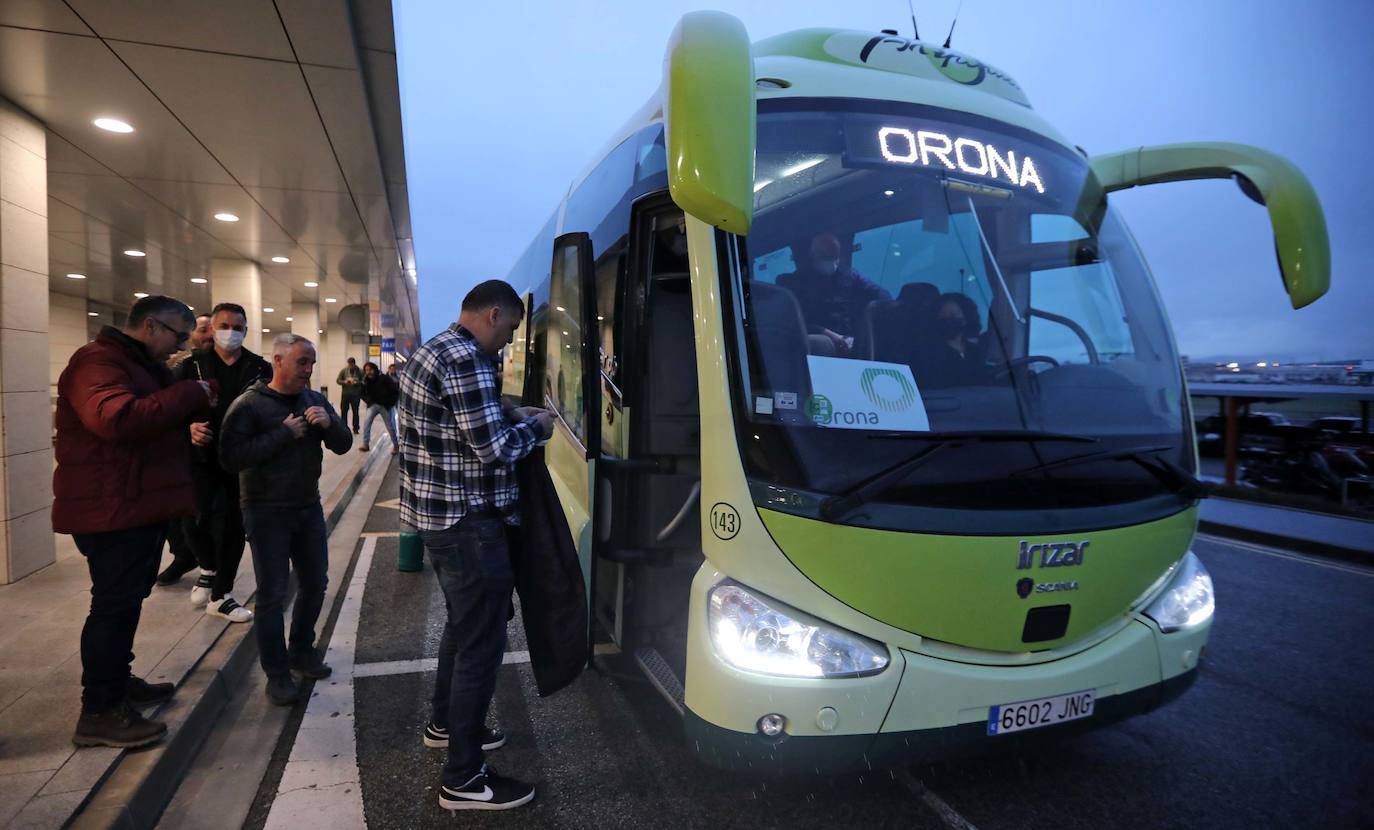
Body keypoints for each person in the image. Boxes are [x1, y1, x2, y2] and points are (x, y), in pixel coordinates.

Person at [398, 280, 554, 812]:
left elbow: (461, 428)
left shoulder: (433, 350)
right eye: (509, 329)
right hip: (468, 525)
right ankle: (463, 779)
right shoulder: (465, 359)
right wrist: (538, 429)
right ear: (492, 314)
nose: (507, 342)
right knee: (481, 646)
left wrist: (514, 416)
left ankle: (444, 724)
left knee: (463, 631)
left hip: (439, 520)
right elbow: (492, 449)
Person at [54, 296, 217, 748]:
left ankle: (116, 682)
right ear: (150, 326)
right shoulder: (97, 362)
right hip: (111, 508)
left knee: (125, 603)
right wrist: (188, 392)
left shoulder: (136, 364)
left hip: (132, 504)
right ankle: (100, 710)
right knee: (111, 606)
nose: (181, 345)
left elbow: (151, 418)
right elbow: (116, 418)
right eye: (177, 335)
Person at [220, 334, 351, 706]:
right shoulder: (249, 405)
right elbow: (231, 458)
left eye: (311, 363)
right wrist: (283, 433)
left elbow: (342, 443)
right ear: (278, 361)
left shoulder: (313, 399)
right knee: (273, 595)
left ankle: (301, 651)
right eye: (301, 363)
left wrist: (328, 424)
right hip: (265, 511)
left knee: (316, 583)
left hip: (307, 506)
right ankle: (276, 673)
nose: (308, 371)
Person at [173, 303, 272, 623]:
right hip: (200, 457)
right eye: (225, 325)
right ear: (212, 329)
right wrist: (185, 428)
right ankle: (208, 568)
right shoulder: (192, 366)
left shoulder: (258, 367)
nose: (232, 332)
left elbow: (273, 407)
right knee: (193, 516)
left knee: (233, 524)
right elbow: (167, 407)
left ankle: (222, 593)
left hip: (241, 459)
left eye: (239, 327)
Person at [157, 313, 215, 586]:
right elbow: (165, 410)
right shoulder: (182, 368)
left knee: (207, 516)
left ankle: (212, 569)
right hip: (186, 454)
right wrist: (186, 428)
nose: (211, 335)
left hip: (225, 454)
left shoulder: (245, 366)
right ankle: (184, 556)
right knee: (178, 512)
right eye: (204, 330)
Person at [776, 231, 891, 356]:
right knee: (819, 344)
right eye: (826, 255)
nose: (832, 260)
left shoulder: (851, 275)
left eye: (835, 255)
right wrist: (833, 337)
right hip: (817, 347)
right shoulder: (795, 282)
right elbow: (794, 322)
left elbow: (881, 295)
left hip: (851, 342)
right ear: (814, 255)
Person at [913, 293, 991, 388]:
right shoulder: (928, 353)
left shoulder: (976, 351)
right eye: (941, 316)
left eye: (953, 314)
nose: (947, 319)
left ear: (966, 318)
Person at [359, 361, 399, 454]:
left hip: (385, 406)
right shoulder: (365, 380)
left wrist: (390, 403)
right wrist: (368, 401)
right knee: (366, 424)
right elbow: (361, 393)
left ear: (375, 369)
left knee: (390, 426)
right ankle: (365, 444)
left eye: (370, 370)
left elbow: (394, 391)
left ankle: (396, 446)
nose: (369, 372)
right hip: (372, 405)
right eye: (367, 370)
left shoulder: (384, 378)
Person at [336, 357, 363, 433]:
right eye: (349, 364)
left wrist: (357, 382)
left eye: (351, 364)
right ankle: (344, 428)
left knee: (355, 412)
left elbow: (364, 381)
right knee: (344, 411)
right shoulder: (344, 371)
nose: (350, 366)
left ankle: (356, 428)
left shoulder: (359, 371)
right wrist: (345, 382)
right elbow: (338, 380)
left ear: (354, 364)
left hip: (355, 395)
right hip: (345, 394)